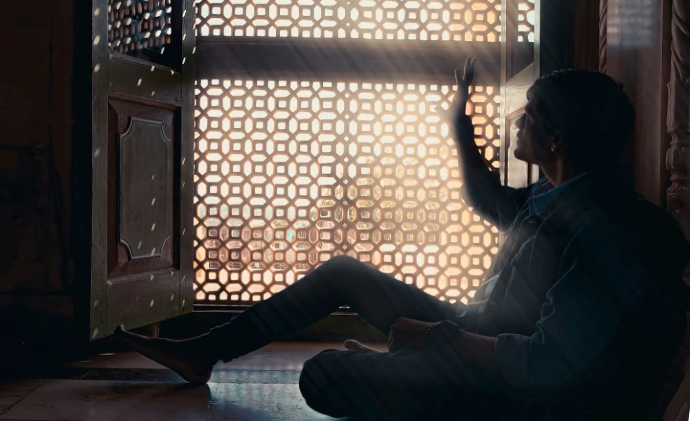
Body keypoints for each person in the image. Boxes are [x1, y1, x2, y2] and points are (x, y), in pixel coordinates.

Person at [117, 60, 689, 420]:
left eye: (530, 114)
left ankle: (416, 379)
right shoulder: (553, 195)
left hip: (524, 394)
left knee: (323, 375)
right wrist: (460, 131)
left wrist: (437, 341)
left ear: (556, 137)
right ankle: (202, 353)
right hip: (480, 333)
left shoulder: (613, 229)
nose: (517, 119)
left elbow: (547, 363)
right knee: (343, 272)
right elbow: (489, 201)